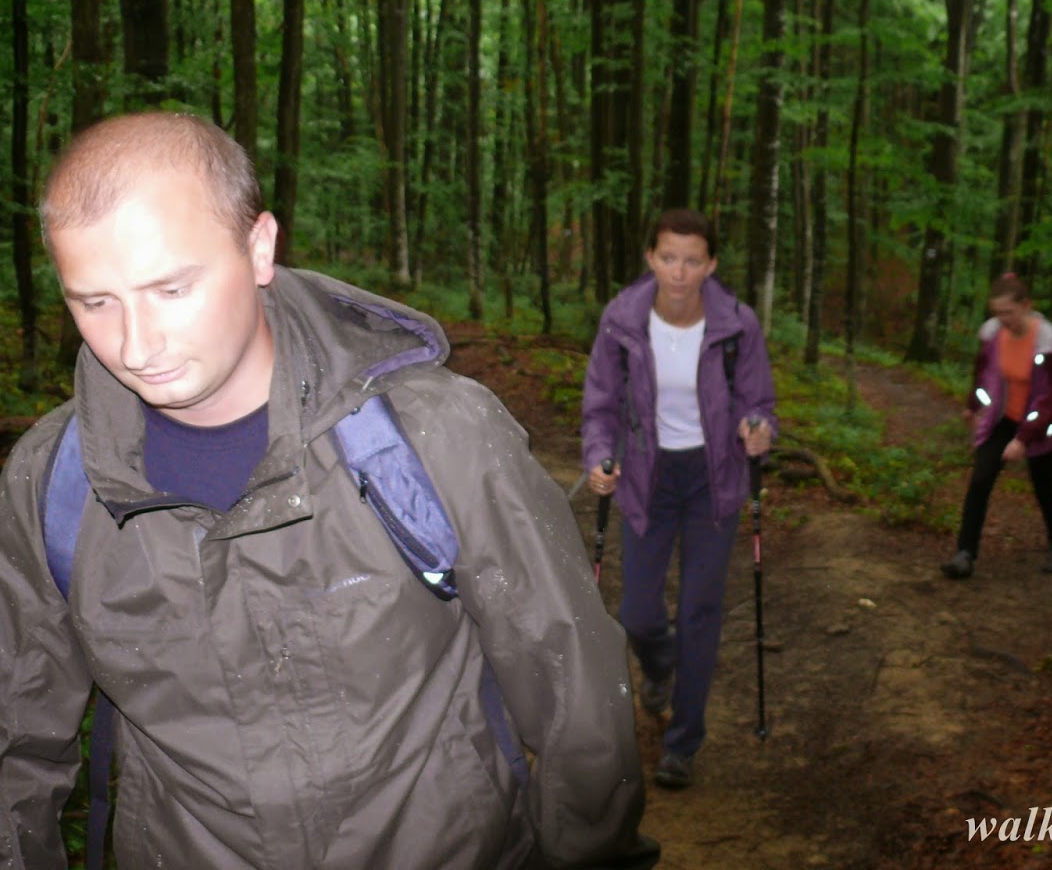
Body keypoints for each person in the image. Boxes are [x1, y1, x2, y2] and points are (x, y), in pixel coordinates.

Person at [0, 112, 658, 870]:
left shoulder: (432, 436)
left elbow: (572, 687)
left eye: (172, 288)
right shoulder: (54, 485)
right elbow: (19, 741)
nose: (136, 345)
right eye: (95, 303)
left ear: (258, 247)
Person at [581, 209, 776, 792]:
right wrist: (597, 455)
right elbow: (601, 405)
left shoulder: (737, 324)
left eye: (693, 260)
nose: (680, 272)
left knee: (699, 612)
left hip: (713, 480)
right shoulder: (622, 320)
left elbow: (758, 399)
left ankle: (683, 741)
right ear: (651, 258)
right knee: (639, 613)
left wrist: (758, 427)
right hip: (648, 474)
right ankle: (659, 667)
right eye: (669, 257)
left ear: (711, 264)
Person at [939, 273, 1052, 580]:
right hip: (1003, 419)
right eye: (997, 313)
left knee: (1043, 487)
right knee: (980, 479)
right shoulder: (993, 335)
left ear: (1026, 306)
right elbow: (983, 374)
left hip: (1040, 424)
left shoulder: (1048, 342)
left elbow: (1047, 399)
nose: (1002, 319)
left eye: (1008, 312)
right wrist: (973, 405)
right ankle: (964, 554)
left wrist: (1023, 439)